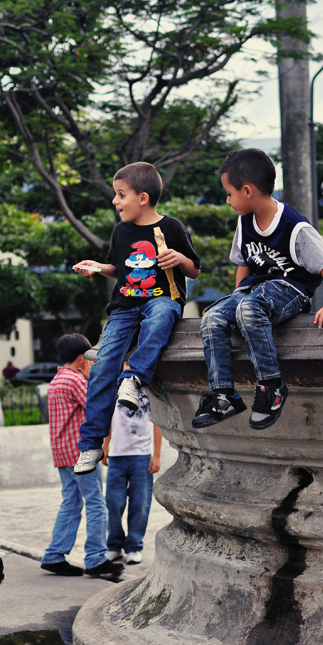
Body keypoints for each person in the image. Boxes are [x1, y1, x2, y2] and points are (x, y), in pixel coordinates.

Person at [192, 148, 323, 432]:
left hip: (291, 290)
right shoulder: (244, 222)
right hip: (255, 290)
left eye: (229, 194)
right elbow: (243, 264)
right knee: (212, 318)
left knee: (249, 308)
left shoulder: (295, 227)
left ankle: (271, 386)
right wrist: (236, 298)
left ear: (247, 190)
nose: (227, 201)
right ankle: (224, 395)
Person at [73, 161, 200, 475]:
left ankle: (134, 379)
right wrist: (98, 268)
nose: (115, 201)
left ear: (143, 198)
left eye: (121, 194)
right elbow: (119, 270)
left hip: (162, 299)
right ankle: (91, 444)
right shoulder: (121, 231)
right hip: (124, 306)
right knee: (102, 366)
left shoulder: (171, 228)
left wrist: (179, 258)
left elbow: (195, 269)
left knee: (160, 319)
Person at [41, 334, 124, 579]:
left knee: (71, 502)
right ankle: (96, 558)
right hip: (80, 453)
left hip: (62, 452)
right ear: (81, 358)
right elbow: (97, 405)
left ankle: (55, 554)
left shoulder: (57, 380)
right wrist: (92, 377)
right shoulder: (76, 380)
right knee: (96, 503)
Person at [103, 365, 162, 566]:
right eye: (125, 363)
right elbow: (108, 419)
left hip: (142, 456)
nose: (128, 367)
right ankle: (113, 545)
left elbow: (157, 423)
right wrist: (104, 446)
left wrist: (157, 455)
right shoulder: (114, 386)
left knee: (140, 504)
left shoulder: (148, 388)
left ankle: (134, 546)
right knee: (113, 503)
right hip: (117, 455)